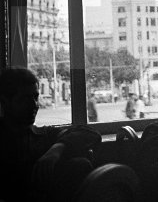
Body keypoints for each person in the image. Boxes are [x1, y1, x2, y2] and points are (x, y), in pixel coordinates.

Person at [0, 67, 102, 202]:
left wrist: (56, 149)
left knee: (81, 164)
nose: (34, 105)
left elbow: (91, 134)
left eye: (35, 97)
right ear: (5, 102)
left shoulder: (43, 135)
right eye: (25, 98)